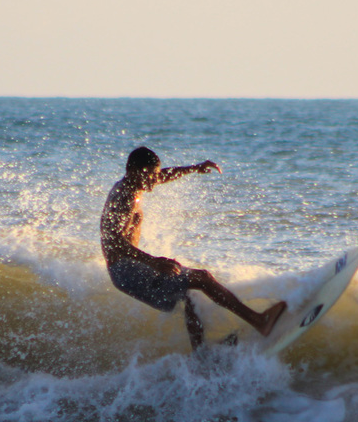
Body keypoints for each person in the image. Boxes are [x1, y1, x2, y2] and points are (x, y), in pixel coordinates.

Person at [101, 146, 287, 350]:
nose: (156, 181)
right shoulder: (124, 197)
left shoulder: (134, 185)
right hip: (128, 271)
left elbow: (164, 175)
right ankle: (259, 321)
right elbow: (113, 241)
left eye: (155, 175)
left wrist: (194, 168)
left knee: (192, 294)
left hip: (129, 269)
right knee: (202, 278)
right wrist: (154, 262)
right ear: (137, 171)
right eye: (152, 175)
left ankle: (201, 355)